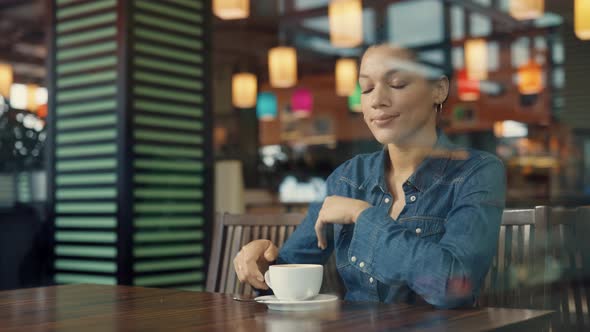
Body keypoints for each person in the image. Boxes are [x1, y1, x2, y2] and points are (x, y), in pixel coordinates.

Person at [233, 43, 506, 308]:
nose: (377, 100)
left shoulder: (477, 172)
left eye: (397, 83)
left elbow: (454, 287)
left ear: (438, 90)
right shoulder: (348, 178)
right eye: (366, 88)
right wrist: (262, 265)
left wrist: (362, 216)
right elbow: (290, 267)